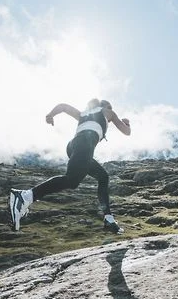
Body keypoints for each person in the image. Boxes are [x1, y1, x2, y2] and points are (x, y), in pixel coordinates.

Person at [9, 98, 131, 233]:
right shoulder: (108, 111)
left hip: (74, 145)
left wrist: (51, 115)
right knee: (72, 180)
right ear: (106, 106)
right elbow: (127, 132)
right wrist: (127, 123)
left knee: (103, 177)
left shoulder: (84, 114)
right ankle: (25, 196)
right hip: (85, 143)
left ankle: (108, 218)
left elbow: (63, 107)